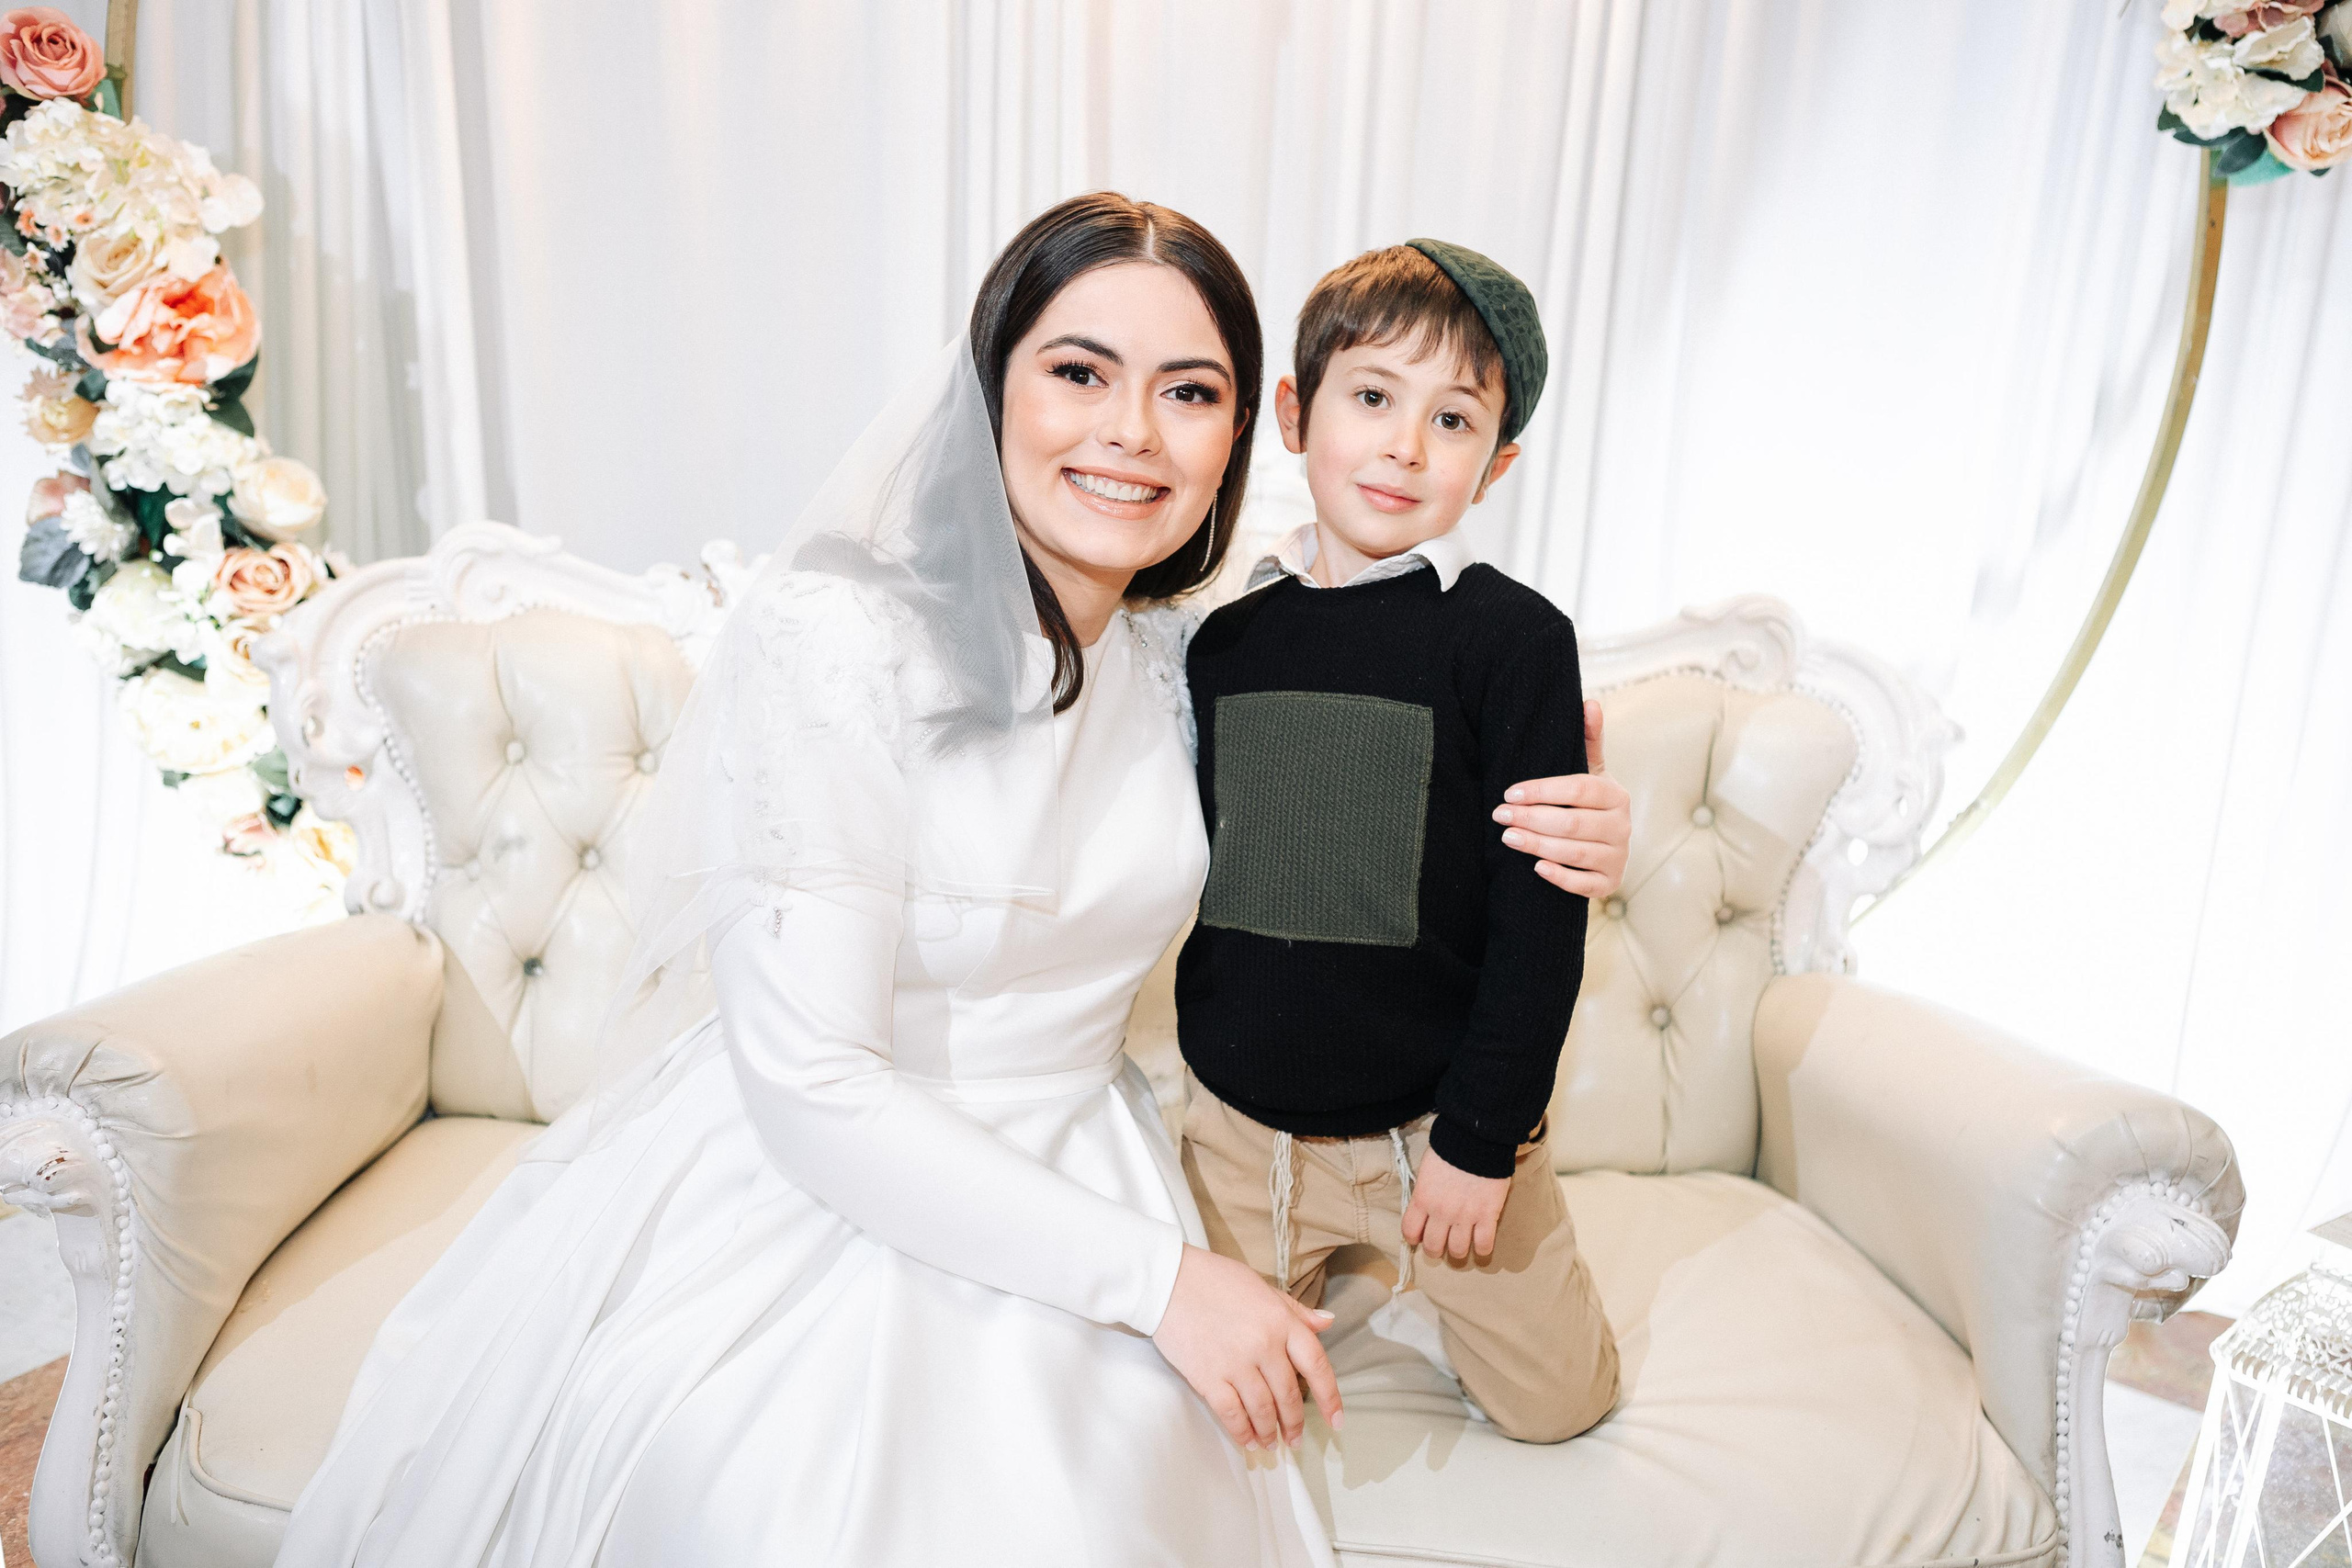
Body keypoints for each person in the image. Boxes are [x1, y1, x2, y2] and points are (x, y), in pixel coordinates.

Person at [275, 197, 1630, 1567]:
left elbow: (1363, 827)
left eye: (1188, 391)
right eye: (1079, 371)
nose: (1131, 433)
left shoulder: (1182, 659)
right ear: (991, 387)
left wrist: (1567, 828)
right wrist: (1162, 1284)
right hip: (826, 1183)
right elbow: (813, 1082)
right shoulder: (838, 640)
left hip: (1096, 1150)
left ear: (1238, 432)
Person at [1179, 241, 1618, 1445]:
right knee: (1213, 1427)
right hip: (1243, 1134)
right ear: (1294, 413)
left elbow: (1542, 920)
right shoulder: (1217, 642)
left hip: (1439, 1129)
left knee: (1559, 1407)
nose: (1404, 446)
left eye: (1455, 419)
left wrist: (1481, 1143)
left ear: (1498, 464)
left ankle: (1430, 1277)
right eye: (1372, 398)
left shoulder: (1511, 641)